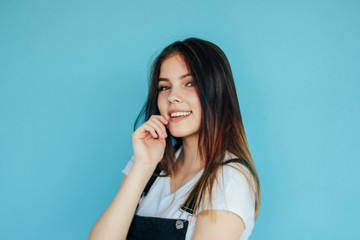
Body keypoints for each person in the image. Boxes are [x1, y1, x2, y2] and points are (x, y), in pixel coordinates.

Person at [89, 37, 261, 240]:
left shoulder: (228, 179)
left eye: (190, 83)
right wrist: (143, 165)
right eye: (164, 87)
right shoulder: (149, 163)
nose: (172, 96)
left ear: (217, 91)